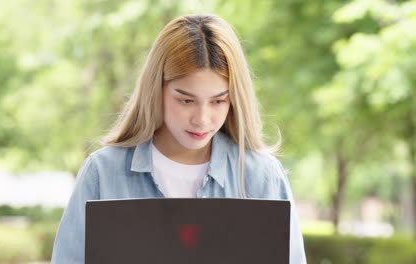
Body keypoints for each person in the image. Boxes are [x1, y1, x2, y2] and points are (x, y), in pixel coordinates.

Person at [51, 14, 307, 263]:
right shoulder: (103, 172)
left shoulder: (262, 175)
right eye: (186, 100)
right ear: (156, 90)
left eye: (218, 101)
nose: (202, 119)